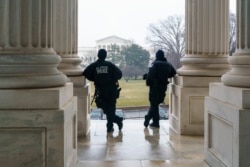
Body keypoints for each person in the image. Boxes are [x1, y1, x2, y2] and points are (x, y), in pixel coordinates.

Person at [83, 49, 123, 133]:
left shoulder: (94, 65)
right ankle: (117, 120)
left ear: (98, 55)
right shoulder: (110, 65)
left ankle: (109, 126)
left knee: (107, 109)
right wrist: (111, 77)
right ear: (105, 56)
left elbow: (86, 73)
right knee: (109, 109)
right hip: (111, 90)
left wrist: (95, 78)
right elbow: (119, 74)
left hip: (102, 91)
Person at [143, 50, 176, 128]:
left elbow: (150, 75)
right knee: (156, 104)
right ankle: (152, 119)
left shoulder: (155, 64)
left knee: (154, 104)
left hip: (155, 87)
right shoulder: (168, 64)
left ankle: (154, 121)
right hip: (163, 86)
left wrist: (148, 82)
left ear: (157, 56)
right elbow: (173, 73)